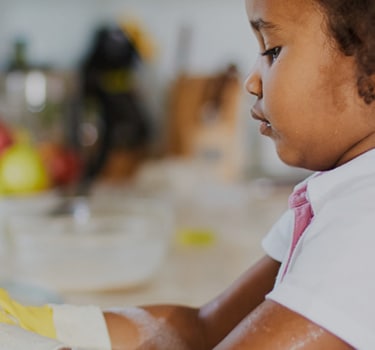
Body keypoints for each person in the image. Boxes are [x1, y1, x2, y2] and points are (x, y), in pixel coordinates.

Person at [2, 0, 375, 348]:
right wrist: (44, 326)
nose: (251, 81)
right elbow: (204, 330)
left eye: (272, 50)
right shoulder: (336, 199)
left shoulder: (363, 222)